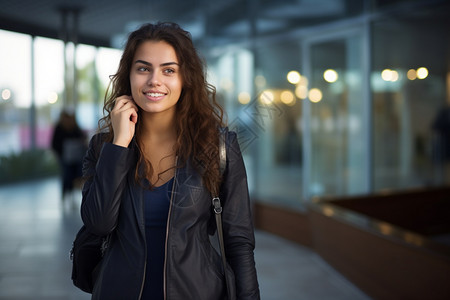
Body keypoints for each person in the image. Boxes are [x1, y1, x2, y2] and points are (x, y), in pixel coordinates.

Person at [80, 22, 260, 299]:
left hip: (198, 292)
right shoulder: (103, 148)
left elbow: (239, 241)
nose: (154, 80)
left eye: (168, 70)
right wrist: (119, 145)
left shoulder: (219, 146)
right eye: (143, 68)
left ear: (185, 78)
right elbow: (99, 224)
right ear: (128, 75)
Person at [51, 110, 86, 202]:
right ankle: (65, 195)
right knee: (67, 175)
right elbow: (54, 144)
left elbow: (82, 138)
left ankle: (72, 195)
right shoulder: (59, 129)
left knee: (76, 175)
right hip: (64, 158)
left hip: (76, 157)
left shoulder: (75, 128)